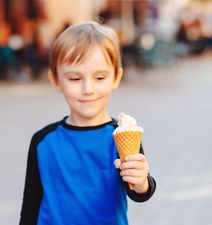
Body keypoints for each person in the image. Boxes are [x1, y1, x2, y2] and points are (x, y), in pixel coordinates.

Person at [19, 21, 156, 225]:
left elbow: (139, 192)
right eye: (75, 78)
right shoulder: (43, 141)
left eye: (100, 77)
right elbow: (31, 204)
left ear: (116, 77)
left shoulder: (121, 135)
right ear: (56, 80)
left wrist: (142, 181)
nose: (88, 89)